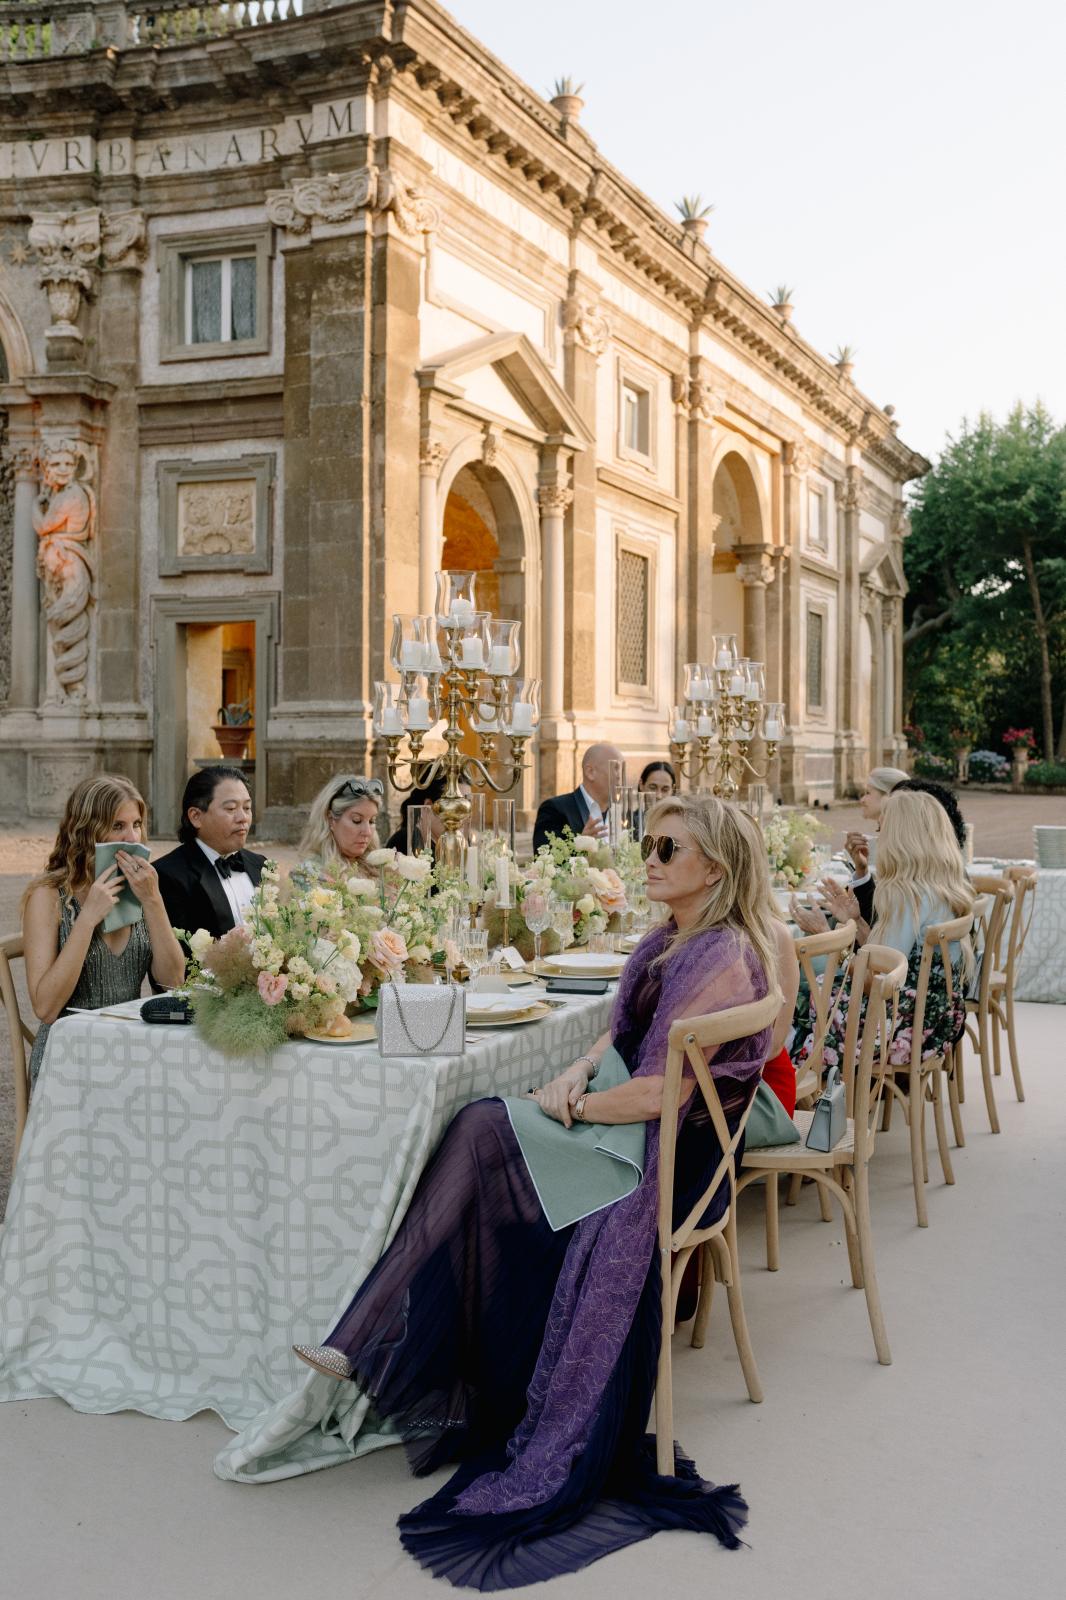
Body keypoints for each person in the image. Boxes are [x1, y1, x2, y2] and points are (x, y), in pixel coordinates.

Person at [289, 795, 778, 1587]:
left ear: (714, 870)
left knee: (482, 1127)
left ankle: (384, 1337)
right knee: (483, 1127)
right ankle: (387, 1337)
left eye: (666, 847)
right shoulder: (670, 939)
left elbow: (661, 1095)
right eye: (650, 844)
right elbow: (619, 1034)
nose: (647, 859)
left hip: (662, 1162)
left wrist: (577, 1107)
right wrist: (580, 1068)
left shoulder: (715, 957)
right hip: (635, 1130)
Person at [22, 774, 187, 1091]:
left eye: (136, 824)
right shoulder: (48, 896)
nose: (132, 838)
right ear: (86, 830)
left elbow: (173, 982)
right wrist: (87, 919)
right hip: (69, 1059)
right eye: (117, 826)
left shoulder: (142, 891)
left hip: (131, 1051)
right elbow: (45, 1008)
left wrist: (153, 902)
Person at [793, 790, 974, 1069]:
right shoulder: (940, 888)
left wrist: (830, 941)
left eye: (882, 829)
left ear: (901, 838)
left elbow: (877, 981)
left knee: (802, 983)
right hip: (935, 1021)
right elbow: (891, 958)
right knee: (814, 981)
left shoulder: (908, 896)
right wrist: (856, 923)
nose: (878, 838)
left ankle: (799, 1086)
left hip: (898, 1027)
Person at [155, 767, 265, 942]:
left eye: (247, 807)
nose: (243, 817)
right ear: (196, 816)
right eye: (231, 808)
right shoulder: (168, 875)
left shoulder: (261, 865)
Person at [843, 766, 910, 923]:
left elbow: (879, 916)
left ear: (888, 797)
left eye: (868, 793)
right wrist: (861, 870)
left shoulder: (901, 848)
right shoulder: (895, 839)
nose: (862, 800)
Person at [532, 741, 624, 852]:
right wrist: (581, 847)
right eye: (616, 768)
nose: (621, 776)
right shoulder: (554, 810)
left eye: (623, 769)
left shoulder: (622, 815)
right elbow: (544, 859)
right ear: (590, 772)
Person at [298, 774, 384, 874]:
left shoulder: (382, 869)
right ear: (331, 819)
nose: (367, 832)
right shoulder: (309, 874)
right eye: (357, 820)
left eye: (371, 821)